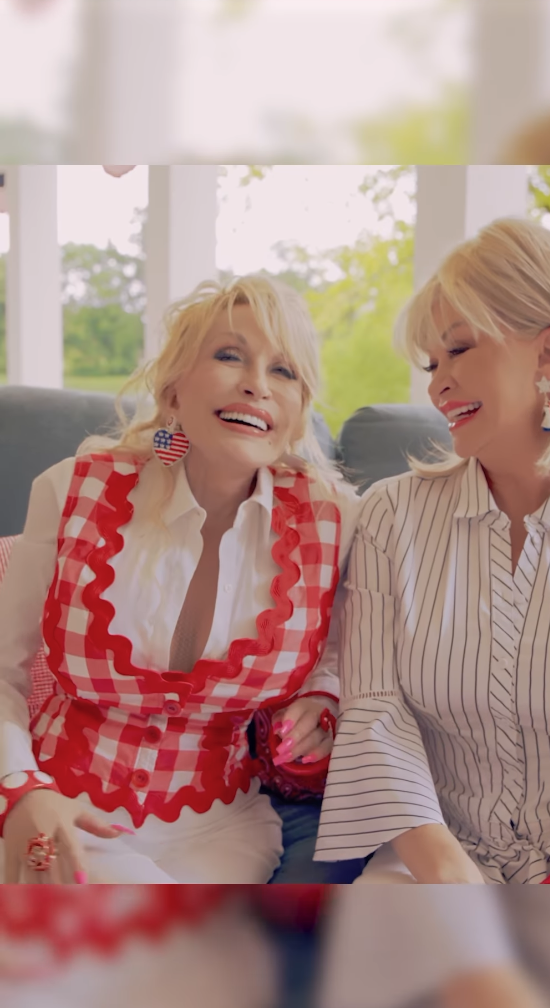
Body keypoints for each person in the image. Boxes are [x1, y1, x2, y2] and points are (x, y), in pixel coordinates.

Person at [0, 274, 358, 884]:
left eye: (284, 371)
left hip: (225, 829)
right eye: (229, 355)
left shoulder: (338, 519)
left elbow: (340, 654)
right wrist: (19, 791)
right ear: (173, 390)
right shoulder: (71, 490)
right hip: (60, 808)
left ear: (299, 413)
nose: (256, 383)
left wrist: (322, 701)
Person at [315, 216, 550, 884]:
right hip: (428, 863)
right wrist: (446, 871)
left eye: (460, 350)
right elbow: (374, 707)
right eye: (431, 363)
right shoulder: (390, 515)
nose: (437, 385)